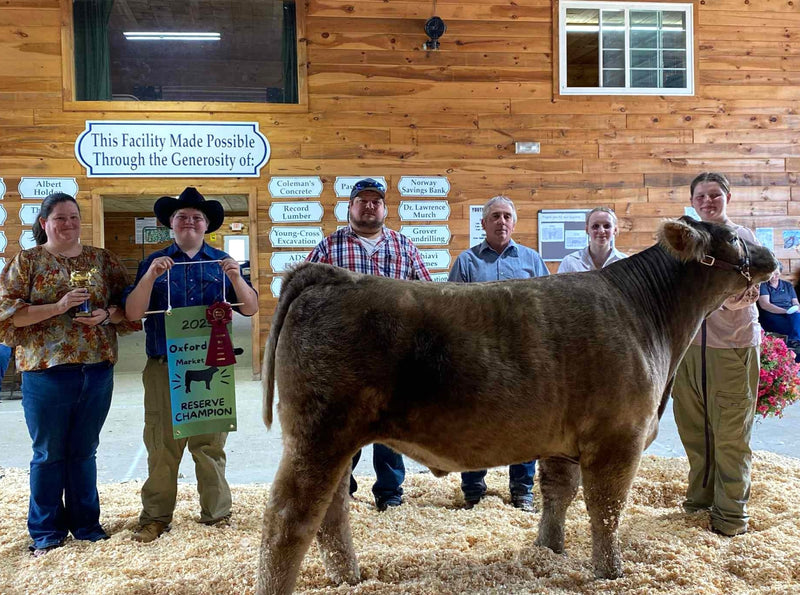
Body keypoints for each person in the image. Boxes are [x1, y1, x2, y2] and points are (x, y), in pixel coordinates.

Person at [0, 192, 139, 556]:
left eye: (74, 217)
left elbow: (128, 307)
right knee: (48, 454)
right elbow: (10, 315)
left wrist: (106, 316)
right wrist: (58, 307)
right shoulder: (27, 261)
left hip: (96, 369)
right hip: (47, 372)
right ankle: (46, 532)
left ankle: (87, 525)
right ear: (44, 223)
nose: (68, 224)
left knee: (83, 451)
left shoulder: (101, 259)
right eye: (60, 218)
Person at [123, 187, 259, 543]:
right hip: (164, 364)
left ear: (206, 226)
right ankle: (155, 517)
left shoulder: (221, 262)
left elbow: (251, 308)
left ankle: (217, 516)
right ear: (170, 223)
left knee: (210, 444)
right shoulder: (152, 263)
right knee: (161, 443)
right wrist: (151, 276)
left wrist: (235, 277)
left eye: (197, 217)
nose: (190, 222)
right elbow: (133, 312)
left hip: (213, 364)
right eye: (182, 216)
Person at [306, 177, 432, 511]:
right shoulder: (329, 247)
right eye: (362, 200)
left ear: (385, 208)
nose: (369, 205)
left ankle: (390, 493)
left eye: (376, 200)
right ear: (350, 207)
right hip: (346, 357)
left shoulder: (404, 247)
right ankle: (341, 490)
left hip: (394, 355)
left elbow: (428, 296)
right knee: (346, 425)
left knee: (390, 427)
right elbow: (307, 297)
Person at [672, 172, 763, 537]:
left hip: (733, 346)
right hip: (689, 350)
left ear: (728, 197)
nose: (708, 202)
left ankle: (730, 516)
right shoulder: (686, 241)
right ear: (692, 201)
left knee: (730, 436)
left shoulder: (744, 239)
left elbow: (749, 291)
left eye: (714, 195)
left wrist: (720, 299)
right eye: (701, 196)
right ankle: (698, 504)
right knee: (694, 432)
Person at [448, 195, 548, 512]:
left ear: (514, 223)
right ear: (483, 224)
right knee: (475, 424)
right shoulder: (466, 262)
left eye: (507, 216)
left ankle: (522, 491)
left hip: (523, 359)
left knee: (525, 424)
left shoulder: (532, 261)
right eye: (495, 216)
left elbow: (547, 309)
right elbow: (451, 311)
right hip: (478, 359)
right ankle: (474, 491)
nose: (501, 222)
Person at [557, 207, 627, 273]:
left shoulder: (625, 263)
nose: (601, 231)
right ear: (587, 230)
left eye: (607, 226)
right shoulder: (570, 262)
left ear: (615, 230)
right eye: (595, 226)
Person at [757, 264, 800, 359]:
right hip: (772, 314)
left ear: (780, 273)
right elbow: (765, 305)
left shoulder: (787, 285)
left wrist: (795, 308)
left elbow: (795, 302)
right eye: (771, 274)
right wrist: (785, 311)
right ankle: (795, 350)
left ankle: (795, 342)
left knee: (797, 316)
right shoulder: (764, 285)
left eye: (776, 274)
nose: (774, 277)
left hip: (790, 312)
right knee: (793, 326)